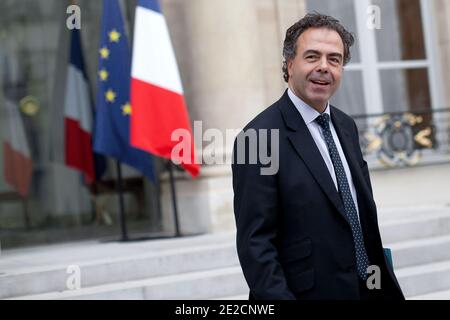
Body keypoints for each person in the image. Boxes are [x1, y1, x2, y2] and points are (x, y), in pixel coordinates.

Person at [231, 12, 405, 300]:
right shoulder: (258, 138)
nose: (324, 67)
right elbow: (256, 245)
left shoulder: (346, 126)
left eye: (334, 59)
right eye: (312, 57)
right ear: (289, 64)